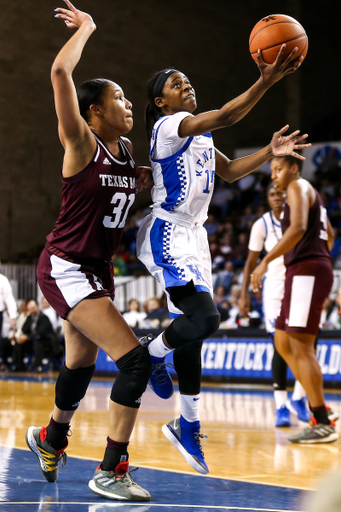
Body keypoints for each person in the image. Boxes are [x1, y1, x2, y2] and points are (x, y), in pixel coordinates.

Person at [136, 46, 310, 474]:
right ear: (161, 102)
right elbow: (229, 116)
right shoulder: (169, 126)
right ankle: (152, 353)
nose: (186, 85)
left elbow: (230, 172)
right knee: (207, 319)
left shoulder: (198, 134)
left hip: (196, 237)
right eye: (177, 84)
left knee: (194, 333)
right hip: (170, 231)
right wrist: (266, 81)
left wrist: (269, 152)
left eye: (187, 80)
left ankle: (188, 425)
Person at [25, 1, 152, 502]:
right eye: (117, 97)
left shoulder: (126, 155)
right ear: (94, 110)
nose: (127, 104)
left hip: (98, 269)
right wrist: (89, 27)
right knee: (136, 363)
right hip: (66, 265)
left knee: (79, 363)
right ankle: (111, 469)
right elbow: (60, 70)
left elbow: (116, 195)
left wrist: (140, 181)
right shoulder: (81, 141)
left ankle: (49, 438)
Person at [251, 154, 338, 443]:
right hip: (304, 271)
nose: (274, 174)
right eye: (272, 170)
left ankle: (321, 421)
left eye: (279, 169)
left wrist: (266, 262)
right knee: (283, 341)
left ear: (294, 169)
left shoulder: (297, 187)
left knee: (301, 346)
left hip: (306, 271)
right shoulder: (303, 192)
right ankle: (318, 404)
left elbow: (298, 228)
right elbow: (331, 234)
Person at [240, 184, 310, 427]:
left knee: (304, 343)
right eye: (273, 194)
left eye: (281, 193)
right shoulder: (262, 224)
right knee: (280, 345)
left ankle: (299, 399)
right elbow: (250, 262)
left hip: (301, 283)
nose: (277, 197)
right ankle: (281, 404)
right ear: (268, 199)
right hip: (275, 288)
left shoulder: (300, 218)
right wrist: (243, 295)